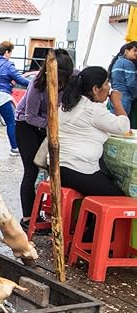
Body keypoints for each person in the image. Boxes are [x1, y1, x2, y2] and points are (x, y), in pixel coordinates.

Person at [15, 49, 74, 231]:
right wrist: (53, 124)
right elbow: (30, 116)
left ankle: (45, 214)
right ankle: (27, 218)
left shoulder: (73, 78)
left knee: (53, 170)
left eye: (64, 78)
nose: (61, 83)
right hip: (27, 126)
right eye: (58, 77)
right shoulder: (37, 85)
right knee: (31, 171)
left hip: (49, 128)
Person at [58, 66, 129, 196]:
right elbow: (123, 127)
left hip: (60, 167)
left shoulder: (67, 105)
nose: (109, 88)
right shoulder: (92, 109)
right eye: (107, 83)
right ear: (95, 89)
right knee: (120, 197)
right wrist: (117, 102)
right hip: (77, 169)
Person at [107, 41, 137, 120]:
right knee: (122, 124)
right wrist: (135, 95)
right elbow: (131, 83)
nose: (136, 53)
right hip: (124, 99)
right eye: (134, 50)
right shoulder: (128, 64)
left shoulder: (116, 62)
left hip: (114, 98)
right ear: (126, 51)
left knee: (114, 124)